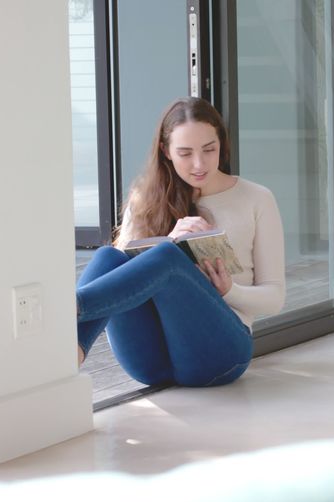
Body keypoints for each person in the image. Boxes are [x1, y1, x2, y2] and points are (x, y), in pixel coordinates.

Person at [76, 97, 285, 387]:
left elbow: (275, 298)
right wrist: (172, 239)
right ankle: (71, 350)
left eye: (209, 150)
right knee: (107, 258)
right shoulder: (146, 199)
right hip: (150, 360)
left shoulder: (256, 198)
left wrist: (228, 290)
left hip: (219, 356)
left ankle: (71, 308)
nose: (199, 164)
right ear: (166, 152)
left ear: (221, 144)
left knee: (167, 258)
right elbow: (118, 275)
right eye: (185, 153)